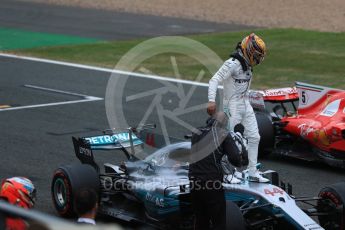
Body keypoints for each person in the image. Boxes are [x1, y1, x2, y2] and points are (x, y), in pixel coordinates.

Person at [207, 33, 269, 183]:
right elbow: (214, 79)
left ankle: (253, 172)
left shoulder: (246, 64)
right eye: (256, 55)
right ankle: (227, 173)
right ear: (249, 50)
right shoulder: (232, 64)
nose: (258, 59)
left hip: (245, 104)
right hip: (232, 106)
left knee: (254, 137)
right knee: (231, 141)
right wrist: (211, 100)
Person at [189, 112, 248, 230]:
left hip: (193, 181)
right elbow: (237, 161)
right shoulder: (223, 134)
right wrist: (241, 144)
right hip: (211, 182)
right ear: (224, 124)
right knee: (219, 221)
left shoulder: (196, 131)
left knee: (200, 219)